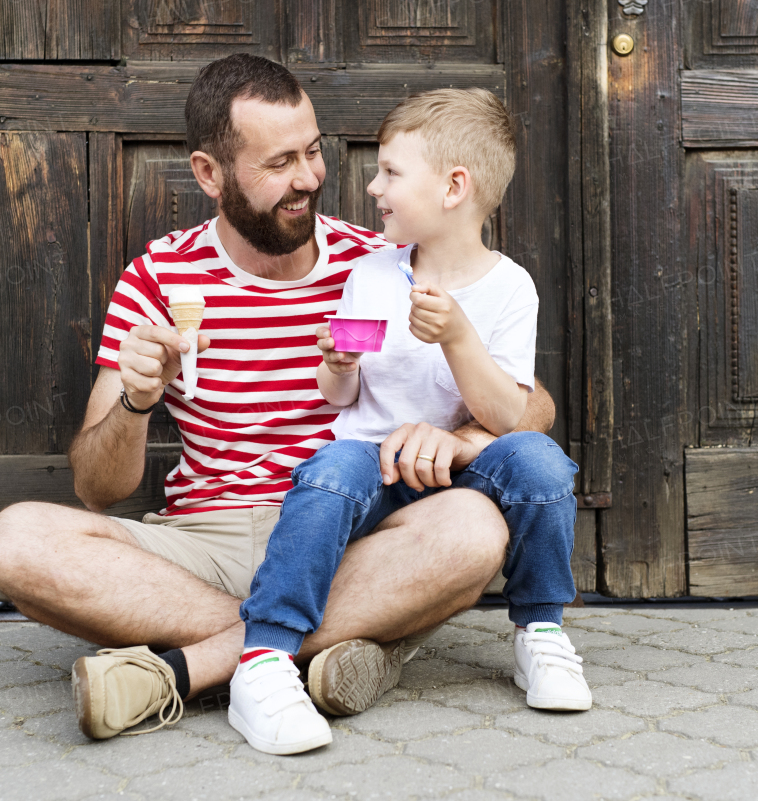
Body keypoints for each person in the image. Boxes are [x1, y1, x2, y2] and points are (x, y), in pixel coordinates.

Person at [0, 54, 559, 743]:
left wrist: (464, 441)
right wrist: (136, 401)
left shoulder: (377, 259)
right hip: (202, 535)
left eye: (312, 152)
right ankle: (337, 642)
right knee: (16, 540)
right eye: (279, 162)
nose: (310, 178)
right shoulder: (159, 277)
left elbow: (532, 406)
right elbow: (97, 487)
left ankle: (185, 670)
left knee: (474, 527)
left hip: (351, 532)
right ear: (208, 173)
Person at [229, 89, 591, 755]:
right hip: (371, 458)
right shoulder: (371, 273)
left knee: (541, 464)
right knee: (328, 470)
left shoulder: (511, 288)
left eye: (391, 172)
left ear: (455, 187)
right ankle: (263, 658)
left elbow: (512, 416)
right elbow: (341, 397)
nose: (373, 187)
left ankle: (541, 630)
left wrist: (457, 336)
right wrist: (336, 362)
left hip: (461, 471)